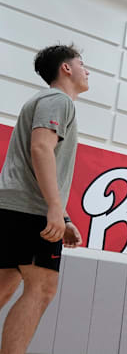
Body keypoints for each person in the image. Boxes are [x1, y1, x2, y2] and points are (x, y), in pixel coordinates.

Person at [0, 45, 87, 354]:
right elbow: (41, 148)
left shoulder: (44, 100)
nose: (86, 71)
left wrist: (63, 217)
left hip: (14, 205)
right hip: (29, 208)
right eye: (81, 64)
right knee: (42, 288)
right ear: (66, 69)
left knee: (5, 286)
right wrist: (53, 207)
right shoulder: (58, 100)